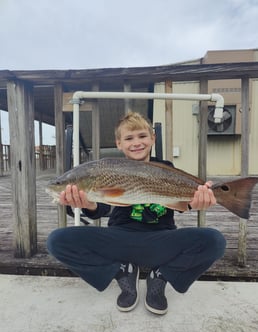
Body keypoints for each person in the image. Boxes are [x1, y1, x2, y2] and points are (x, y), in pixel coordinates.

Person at [47, 112, 226, 315]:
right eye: (129, 138)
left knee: (215, 241)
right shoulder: (107, 170)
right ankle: (121, 272)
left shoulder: (165, 168)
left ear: (152, 138)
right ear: (119, 144)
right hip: (119, 241)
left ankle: (161, 276)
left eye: (142, 136)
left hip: (162, 240)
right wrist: (86, 204)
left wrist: (199, 200)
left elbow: (181, 203)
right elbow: (101, 210)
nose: (136, 143)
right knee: (56, 240)